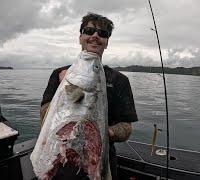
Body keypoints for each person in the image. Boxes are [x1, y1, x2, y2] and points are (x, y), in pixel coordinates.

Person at [40, 12, 138, 180]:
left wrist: (101, 133)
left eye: (102, 33)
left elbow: (127, 129)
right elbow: (43, 118)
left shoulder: (120, 80)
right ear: (80, 37)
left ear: (107, 42)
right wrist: (65, 90)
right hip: (61, 161)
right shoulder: (60, 74)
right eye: (89, 30)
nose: (95, 36)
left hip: (99, 162)